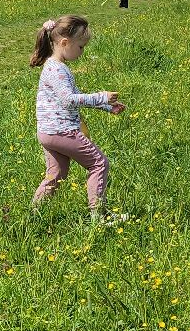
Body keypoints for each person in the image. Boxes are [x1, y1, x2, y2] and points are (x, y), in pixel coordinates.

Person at [31, 15, 123, 221]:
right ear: (65, 43)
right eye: (81, 47)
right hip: (63, 131)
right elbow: (69, 99)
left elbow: (73, 96)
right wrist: (102, 95)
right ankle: (99, 216)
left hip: (48, 132)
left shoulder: (52, 66)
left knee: (56, 175)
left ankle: (33, 215)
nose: (82, 52)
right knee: (99, 164)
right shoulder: (58, 70)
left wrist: (106, 106)